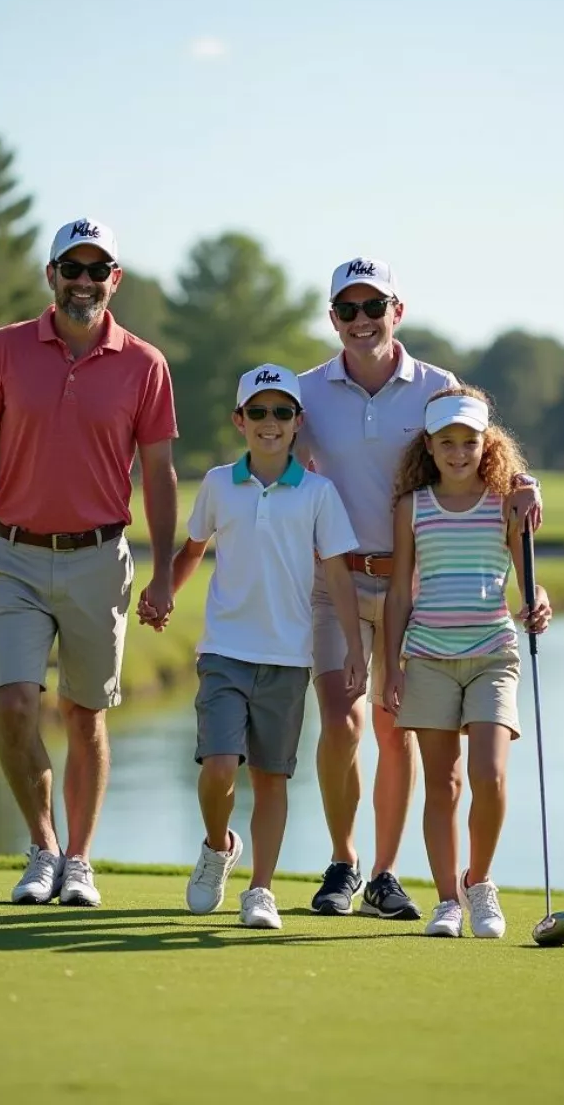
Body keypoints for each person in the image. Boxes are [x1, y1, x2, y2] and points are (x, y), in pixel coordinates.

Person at [0, 216, 178, 909]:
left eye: (97, 270)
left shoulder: (144, 364)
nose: (83, 282)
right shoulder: (5, 349)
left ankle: (80, 861)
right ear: (51, 274)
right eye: (72, 268)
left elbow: (158, 473)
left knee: (86, 715)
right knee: (14, 705)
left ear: (113, 280)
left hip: (98, 558)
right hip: (16, 557)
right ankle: (42, 848)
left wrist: (164, 571)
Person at [295, 257, 543, 921]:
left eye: (373, 307)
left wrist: (527, 489)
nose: (360, 321)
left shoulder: (437, 386)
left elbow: (485, 454)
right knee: (342, 720)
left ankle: (384, 873)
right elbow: (279, 466)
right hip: (337, 583)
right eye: (346, 310)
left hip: (413, 587)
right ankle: (344, 862)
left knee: (392, 727)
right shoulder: (307, 391)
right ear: (332, 319)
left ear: (396, 313)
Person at [147, 363, 367, 930]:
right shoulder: (220, 483)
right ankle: (218, 846)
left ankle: (260, 890)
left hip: (289, 657)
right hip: (224, 650)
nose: (271, 423)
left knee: (271, 778)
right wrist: (164, 591)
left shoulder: (318, 493)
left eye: (283, 413)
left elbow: (340, 575)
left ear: (298, 423)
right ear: (239, 420)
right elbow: (194, 548)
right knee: (219, 766)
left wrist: (354, 650)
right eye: (259, 413)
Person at [382, 385, 552, 938]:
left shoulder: (506, 501)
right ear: (429, 445)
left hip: (492, 654)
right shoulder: (412, 506)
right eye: (448, 441)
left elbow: (526, 579)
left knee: (490, 774)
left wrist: (538, 600)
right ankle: (447, 901)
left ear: (488, 443)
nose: (459, 452)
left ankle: (480, 883)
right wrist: (393, 666)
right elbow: (401, 594)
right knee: (444, 785)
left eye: (470, 441)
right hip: (427, 655)